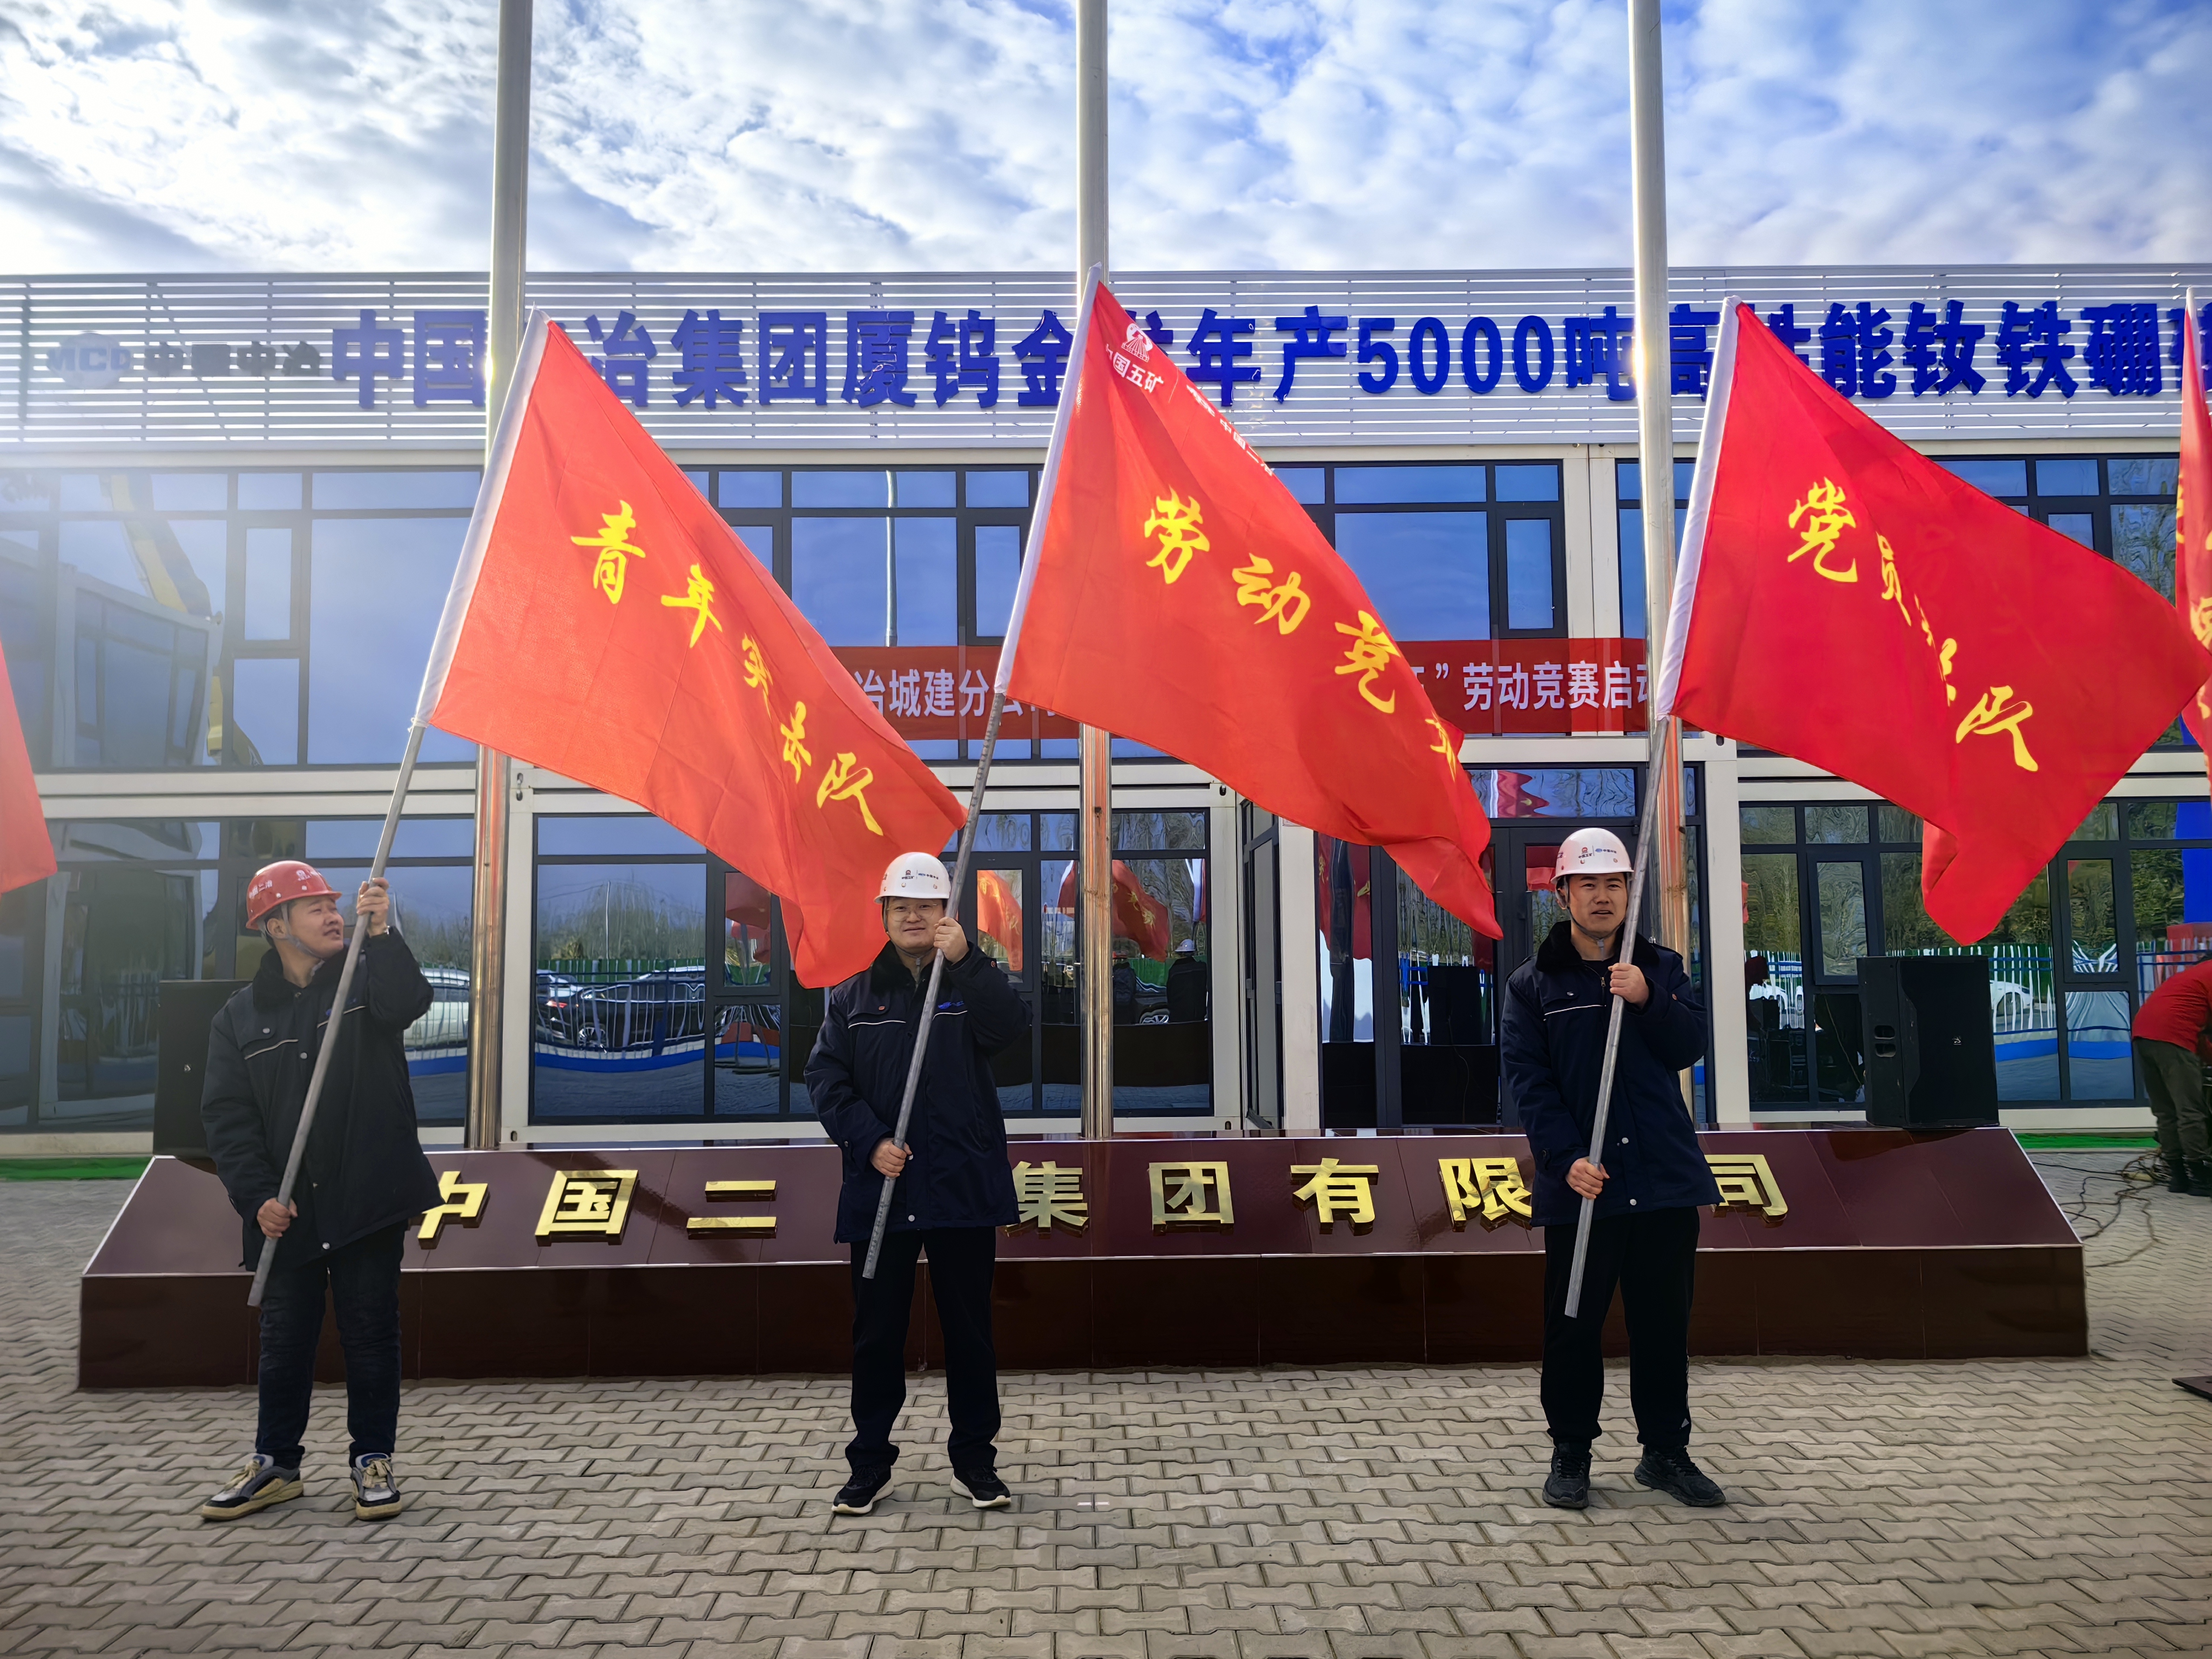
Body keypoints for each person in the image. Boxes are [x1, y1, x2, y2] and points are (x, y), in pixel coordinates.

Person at [197, 859, 441, 1523]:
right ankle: (276, 1464)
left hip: (367, 1194)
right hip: (288, 1208)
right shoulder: (239, 1017)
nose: (334, 916)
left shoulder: (365, 979)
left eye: (335, 905)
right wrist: (256, 1198)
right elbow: (227, 1119)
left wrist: (382, 933)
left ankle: (373, 1460)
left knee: (371, 1332)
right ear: (276, 926)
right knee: (284, 1340)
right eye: (315, 908)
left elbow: (409, 1002)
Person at [1502, 827, 1724, 1512]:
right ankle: (1571, 1451)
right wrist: (1566, 1159)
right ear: (1562, 894)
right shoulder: (1532, 984)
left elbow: (1688, 1047)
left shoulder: (1660, 969)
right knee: (1573, 1324)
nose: (1602, 897)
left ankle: (1665, 1452)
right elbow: (1529, 1082)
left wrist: (1650, 999)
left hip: (1661, 1181)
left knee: (1663, 1326)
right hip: (1584, 1187)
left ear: (1630, 892)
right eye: (1588, 884)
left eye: (1614, 884)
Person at [806, 851, 1031, 1517]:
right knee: (876, 1336)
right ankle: (869, 1465)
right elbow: (825, 1081)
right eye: (900, 906)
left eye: (926, 906)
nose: (913, 916)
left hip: (962, 1185)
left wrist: (968, 962)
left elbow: (1010, 1030)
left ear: (945, 914)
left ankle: (975, 1463)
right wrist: (870, 1140)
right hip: (884, 1191)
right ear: (883, 916)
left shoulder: (967, 982)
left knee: (970, 1334)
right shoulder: (852, 998)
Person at [2130, 955, 2212, 1196]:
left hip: (2144, 1035)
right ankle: (2200, 1177)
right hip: (2173, 1037)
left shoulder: (2188, 979)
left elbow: (2198, 1034)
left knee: (2166, 1111)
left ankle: (2178, 1177)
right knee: (2190, 1109)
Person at [1165, 938, 1208, 1023]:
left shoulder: (1175, 971)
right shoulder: (1202, 968)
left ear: (1181, 954)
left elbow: (1170, 995)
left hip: (1179, 1017)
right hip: (1198, 1016)